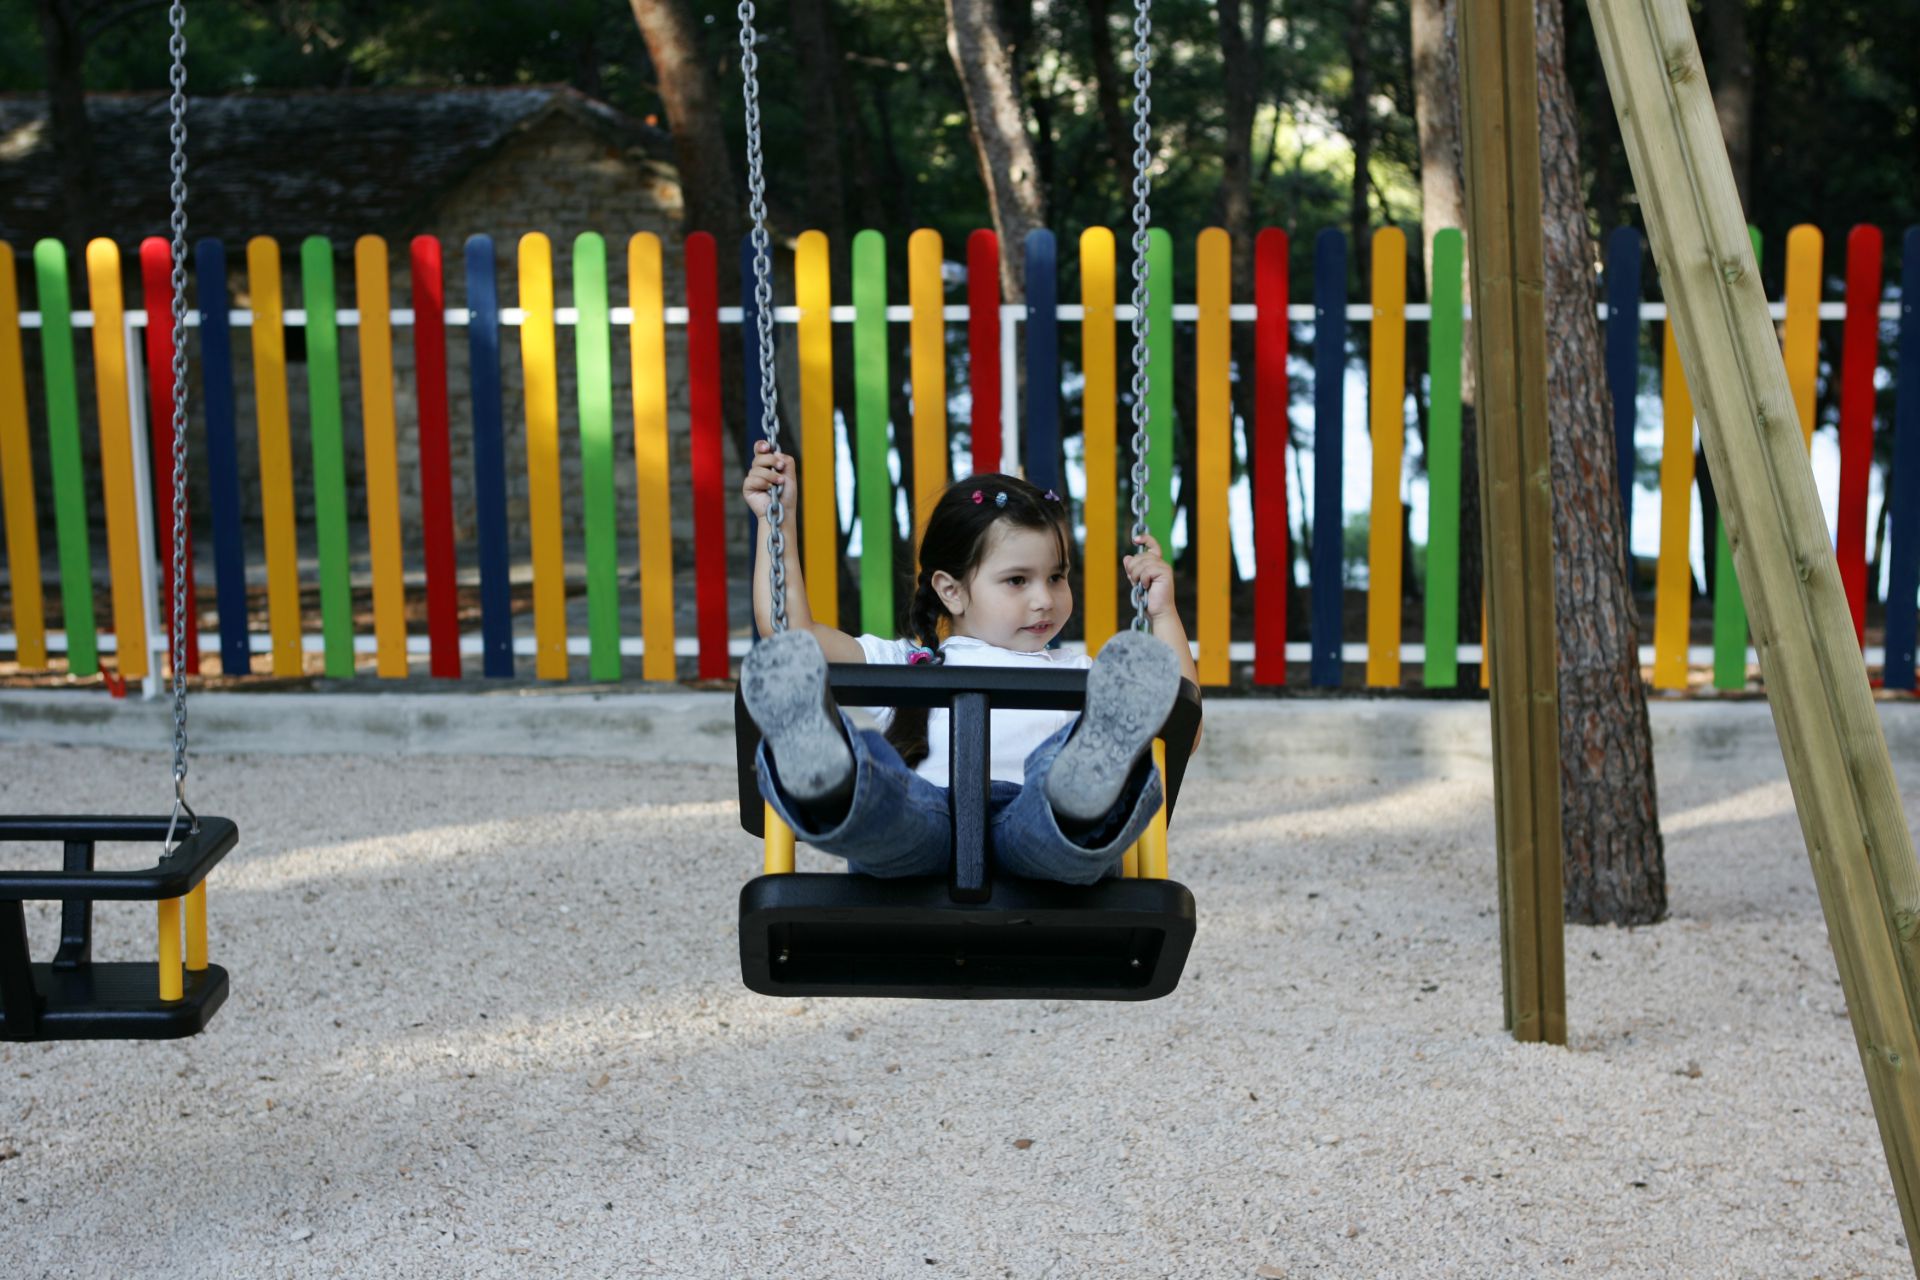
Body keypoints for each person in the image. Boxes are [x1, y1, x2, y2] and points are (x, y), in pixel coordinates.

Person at [738, 441, 1201, 884]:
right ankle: (835, 778)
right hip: (926, 822)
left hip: (1034, 829)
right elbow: (791, 635)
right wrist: (777, 520)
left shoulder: (1080, 675)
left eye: (1057, 577)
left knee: (1054, 815)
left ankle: (1079, 796)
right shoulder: (909, 664)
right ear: (951, 591)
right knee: (893, 807)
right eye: (1017, 580)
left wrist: (1162, 613)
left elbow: (1181, 723)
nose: (1045, 599)